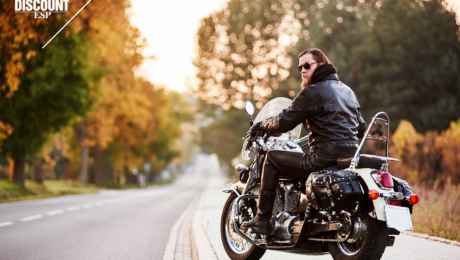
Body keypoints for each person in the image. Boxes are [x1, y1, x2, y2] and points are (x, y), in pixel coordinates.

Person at [241, 48, 367, 234]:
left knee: (272, 158)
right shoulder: (348, 91)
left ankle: (262, 219)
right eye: (300, 67)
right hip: (348, 161)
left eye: (307, 65)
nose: (302, 70)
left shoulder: (312, 92)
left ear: (321, 64)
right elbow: (361, 128)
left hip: (321, 161)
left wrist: (260, 126)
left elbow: (283, 122)